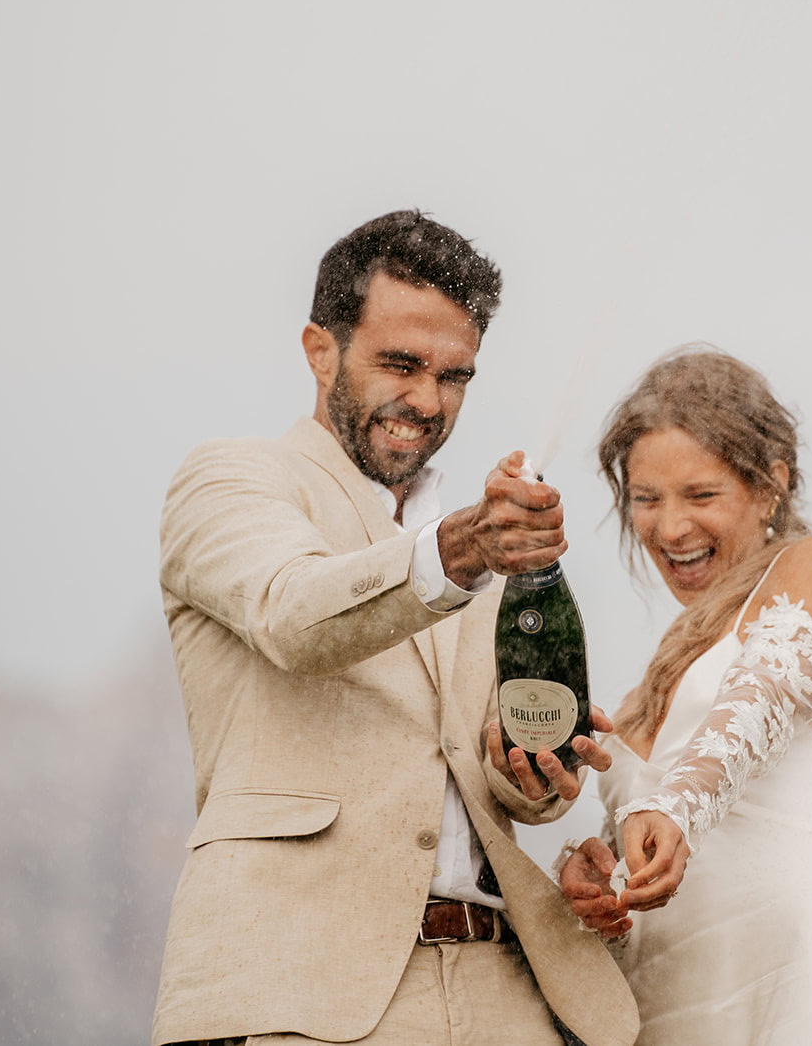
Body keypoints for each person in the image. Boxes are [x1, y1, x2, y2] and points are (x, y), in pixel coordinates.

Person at [151, 210, 638, 1046]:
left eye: (455, 376)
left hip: (506, 989)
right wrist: (459, 551)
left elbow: (503, 784)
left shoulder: (479, 545)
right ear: (320, 349)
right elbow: (294, 613)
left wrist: (535, 772)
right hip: (294, 990)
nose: (426, 399)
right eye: (400, 364)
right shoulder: (233, 479)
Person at [558, 348, 812, 1045]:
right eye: (646, 500)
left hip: (794, 986)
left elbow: (753, 709)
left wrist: (675, 806)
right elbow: (644, 852)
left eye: (701, 496)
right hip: (670, 1008)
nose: (670, 529)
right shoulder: (652, 678)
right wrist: (594, 879)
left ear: (770, 487)